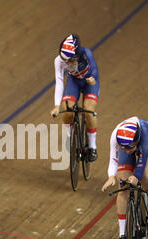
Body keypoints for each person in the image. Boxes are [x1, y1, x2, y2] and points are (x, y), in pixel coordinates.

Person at [101, 116, 148, 239]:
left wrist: (136, 176)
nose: (126, 151)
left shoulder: (144, 134)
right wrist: (111, 176)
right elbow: (113, 159)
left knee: (144, 173)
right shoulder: (117, 137)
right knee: (124, 189)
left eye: (129, 148)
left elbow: (142, 159)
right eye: (124, 148)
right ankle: (122, 235)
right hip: (130, 142)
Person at [50, 34, 100, 162]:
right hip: (74, 82)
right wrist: (56, 105)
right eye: (64, 59)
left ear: (77, 56)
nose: (67, 63)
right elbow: (60, 82)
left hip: (89, 83)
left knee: (89, 110)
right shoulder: (59, 61)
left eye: (70, 60)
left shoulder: (86, 53)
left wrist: (92, 79)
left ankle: (92, 146)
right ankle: (72, 140)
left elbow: (94, 69)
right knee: (66, 111)